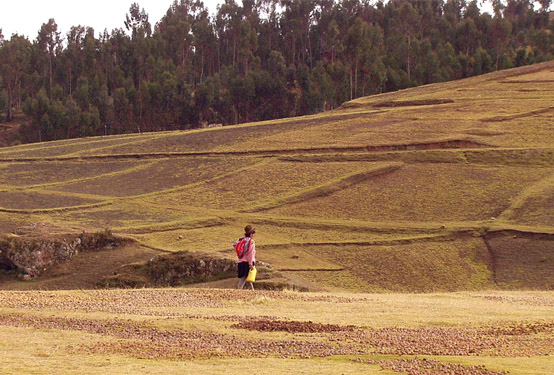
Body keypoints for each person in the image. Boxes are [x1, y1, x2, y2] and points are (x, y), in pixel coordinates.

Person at [236, 225, 256, 290]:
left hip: (241, 261)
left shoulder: (241, 240)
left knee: (247, 277)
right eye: (253, 233)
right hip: (248, 262)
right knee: (245, 278)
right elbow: (250, 253)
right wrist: (250, 264)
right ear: (251, 234)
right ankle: (239, 291)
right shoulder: (251, 242)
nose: (254, 235)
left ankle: (252, 290)